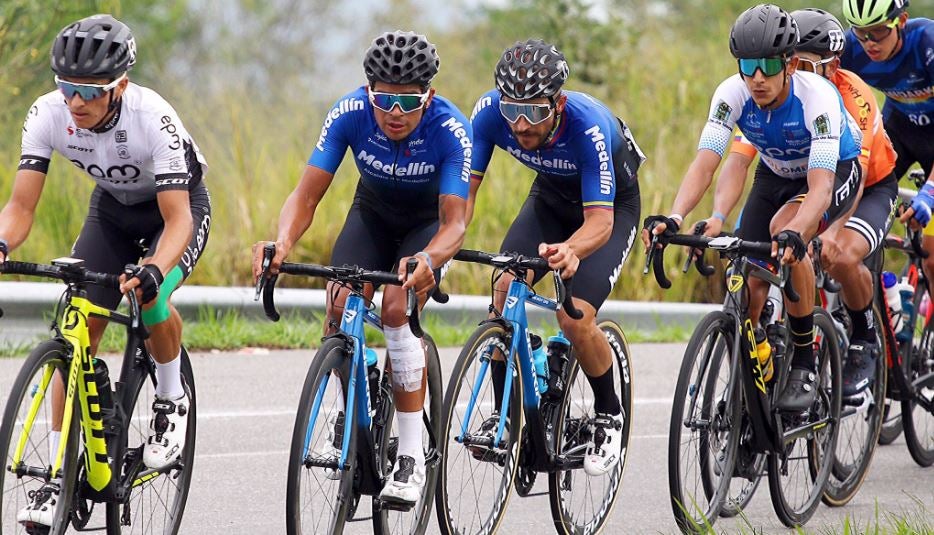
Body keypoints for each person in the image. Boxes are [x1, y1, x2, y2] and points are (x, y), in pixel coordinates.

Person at [0, 14, 210, 527]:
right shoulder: (47, 113)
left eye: (90, 91)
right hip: (112, 212)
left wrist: (154, 269)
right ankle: (60, 473)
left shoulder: (152, 117)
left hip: (175, 212)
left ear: (120, 85)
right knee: (77, 325)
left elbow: (178, 220)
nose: (76, 102)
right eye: (67, 87)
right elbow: (20, 208)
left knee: (151, 296)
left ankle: (171, 397)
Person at [251, 30, 470, 505]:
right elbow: (306, 195)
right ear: (369, 92)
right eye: (384, 99)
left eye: (408, 101)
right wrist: (283, 241)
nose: (395, 112)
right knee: (339, 303)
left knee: (394, 310)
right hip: (372, 214)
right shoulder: (349, 112)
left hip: (427, 226)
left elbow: (456, 222)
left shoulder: (451, 128)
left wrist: (430, 258)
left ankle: (410, 453)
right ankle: (357, 392)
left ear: (428, 95)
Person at [642, 4, 863, 412]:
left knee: (785, 230)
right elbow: (709, 163)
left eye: (768, 65)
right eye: (748, 65)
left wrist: (797, 233)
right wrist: (679, 216)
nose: (757, 77)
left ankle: (803, 360)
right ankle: (755, 381)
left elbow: (819, 187)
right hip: (775, 172)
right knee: (746, 283)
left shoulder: (817, 98)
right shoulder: (732, 94)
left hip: (832, 172)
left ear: (790, 64)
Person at [468, 38, 645, 476]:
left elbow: (600, 223)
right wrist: (442, 244)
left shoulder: (588, 127)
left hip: (609, 208)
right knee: (505, 289)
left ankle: (609, 413)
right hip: (549, 198)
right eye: (512, 110)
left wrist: (572, 248)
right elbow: (462, 197)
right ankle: (505, 415)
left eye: (534, 112)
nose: (521, 124)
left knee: (574, 318)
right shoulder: (487, 114)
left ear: (558, 103)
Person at [720, 9, 898, 398]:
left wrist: (828, 231)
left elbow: (852, 176)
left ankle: (863, 336)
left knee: (839, 253)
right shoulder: (778, 94)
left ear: (832, 65)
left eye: (804, 65)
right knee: (759, 253)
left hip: (866, 186)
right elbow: (742, 157)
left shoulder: (850, 96)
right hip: (804, 181)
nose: (795, 73)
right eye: (792, 63)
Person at [839, 0, 934, 300]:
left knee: (932, 259)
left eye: (878, 31)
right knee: (854, 197)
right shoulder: (850, 48)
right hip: (899, 130)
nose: (869, 42)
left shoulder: (926, 42)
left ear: (901, 21)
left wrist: (930, 193)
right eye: (861, 32)